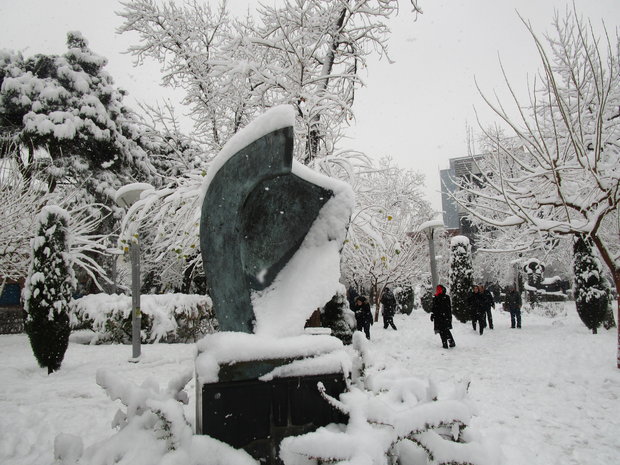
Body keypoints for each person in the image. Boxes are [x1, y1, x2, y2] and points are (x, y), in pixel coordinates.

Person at [430, 284, 455, 349]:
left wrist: (447, 316)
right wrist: (432, 314)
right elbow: (434, 307)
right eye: (437, 289)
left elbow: (448, 308)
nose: (437, 290)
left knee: (446, 330)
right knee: (441, 331)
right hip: (438, 317)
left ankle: (451, 342)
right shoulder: (435, 297)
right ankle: (445, 344)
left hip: (444, 317)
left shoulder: (446, 297)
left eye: (439, 289)